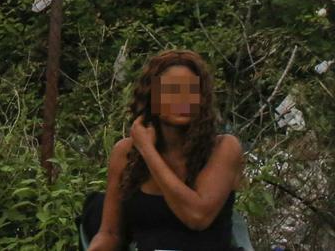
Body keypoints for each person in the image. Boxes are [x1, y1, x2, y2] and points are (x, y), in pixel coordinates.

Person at [86, 49, 244, 251]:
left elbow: (196, 217)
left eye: (191, 90)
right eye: (171, 90)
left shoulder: (224, 147)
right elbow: (110, 233)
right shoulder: (125, 153)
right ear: (151, 97)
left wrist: (147, 150)